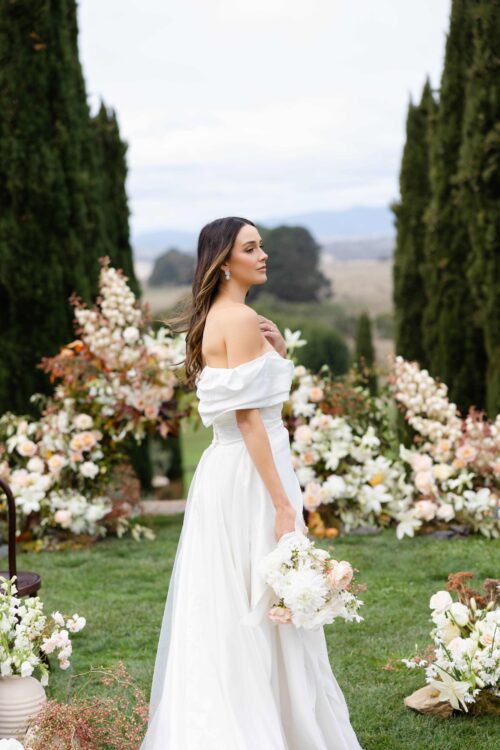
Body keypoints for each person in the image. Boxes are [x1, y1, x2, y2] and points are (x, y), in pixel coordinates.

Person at [140, 217, 364, 749]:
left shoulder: (226, 318)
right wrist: (283, 504)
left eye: (261, 245)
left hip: (232, 470)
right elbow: (248, 419)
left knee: (240, 595)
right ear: (223, 262)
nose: (263, 254)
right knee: (260, 595)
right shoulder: (238, 319)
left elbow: (252, 401)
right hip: (250, 474)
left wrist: (278, 355)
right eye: (251, 247)